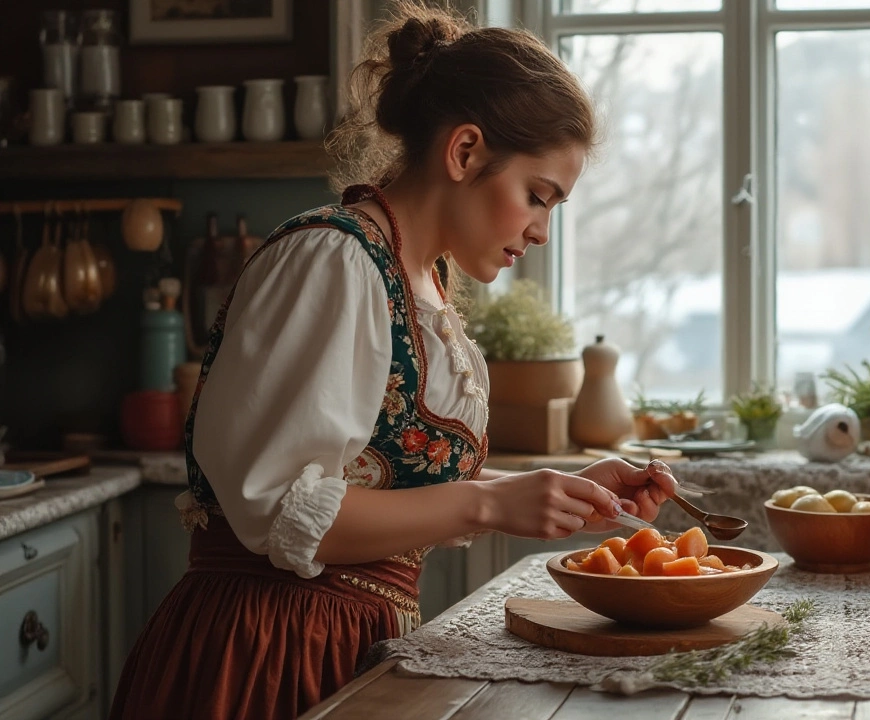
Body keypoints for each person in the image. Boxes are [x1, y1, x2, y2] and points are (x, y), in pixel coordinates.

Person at [109, 5, 678, 719]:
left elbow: (376, 481)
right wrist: (493, 502)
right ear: (466, 152)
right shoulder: (334, 262)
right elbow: (286, 508)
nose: (540, 231)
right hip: (265, 652)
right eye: (538, 197)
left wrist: (561, 488)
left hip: (348, 645)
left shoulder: (418, 284)